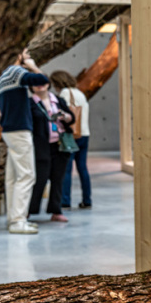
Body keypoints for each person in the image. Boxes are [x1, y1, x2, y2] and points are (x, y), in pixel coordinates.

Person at [0, 49, 49, 234]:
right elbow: (42, 80)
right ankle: (18, 221)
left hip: (9, 130)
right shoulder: (15, 72)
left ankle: (13, 219)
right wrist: (32, 66)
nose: (28, 55)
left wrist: (0, 110)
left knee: (13, 177)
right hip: (20, 130)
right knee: (27, 175)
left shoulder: (1, 75)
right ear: (18, 56)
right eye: (25, 53)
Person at [28, 82, 74, 222]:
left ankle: (56, 211)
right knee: (39, 179)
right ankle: (29, 210)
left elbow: (72, 118)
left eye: (43, 82)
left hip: (60, 145)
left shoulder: (58, 100)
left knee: (58, 179)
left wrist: (65, 116)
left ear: (48, 84)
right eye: (36, 83)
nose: (40, 85)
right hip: (41, 146)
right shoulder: (30, 103)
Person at [50, 71, 92, 209]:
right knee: (82, 168)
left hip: (70, 135)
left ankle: (65, 201)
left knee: (66, 169)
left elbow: (62, 114)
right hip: (84, 134)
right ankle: (87, 200)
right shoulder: (80, 93)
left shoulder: (65, 93)